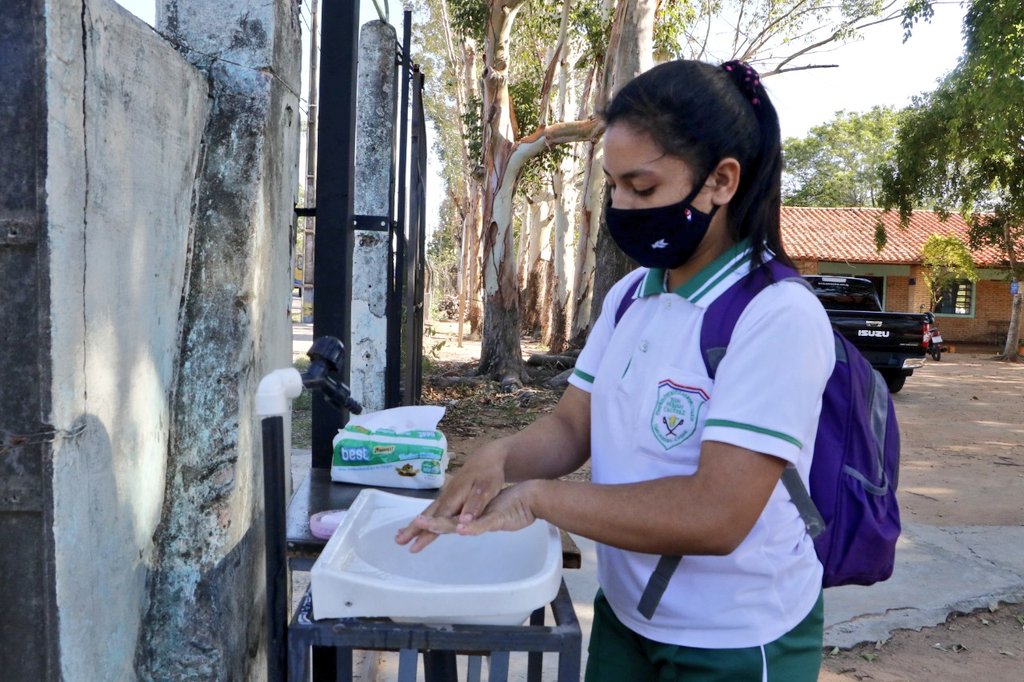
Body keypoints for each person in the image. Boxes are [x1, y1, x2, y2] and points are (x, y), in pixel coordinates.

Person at [396, 59, 835, 681]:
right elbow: (575, 425)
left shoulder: (776, 316)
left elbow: (718, 514)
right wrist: (500, 458)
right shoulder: (632, 296)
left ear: (722, 181)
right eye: (613, 186)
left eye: (644, 187)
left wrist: (541, 499)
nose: (622, 206)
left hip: (734, 636)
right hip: (628, 617)